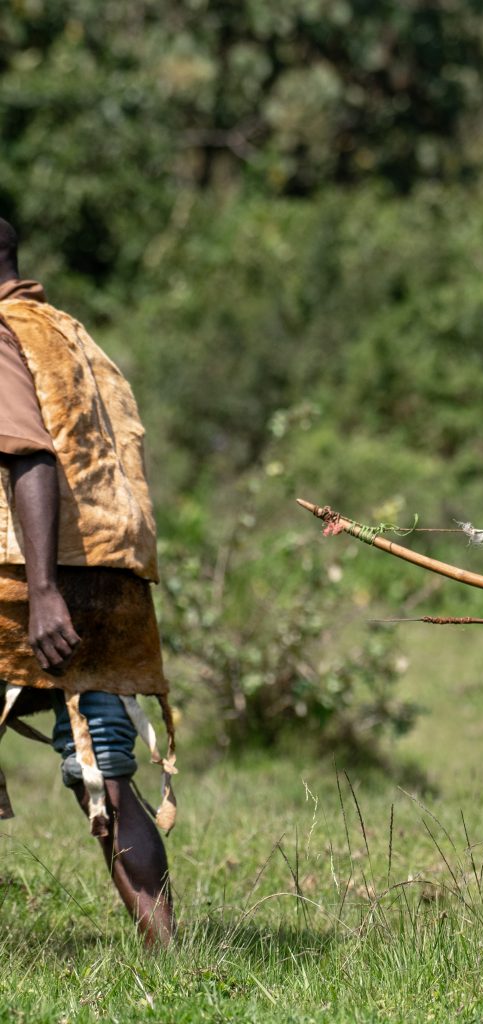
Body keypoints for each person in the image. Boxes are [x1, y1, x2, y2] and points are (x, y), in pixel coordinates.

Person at [0, 218, 176, 947]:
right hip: (108, 581)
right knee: (104, 771)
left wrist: (43, 592)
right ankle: (169, 956)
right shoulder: (69, 333)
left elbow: (28, 455)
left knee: (99, 771)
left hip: (22, 585)